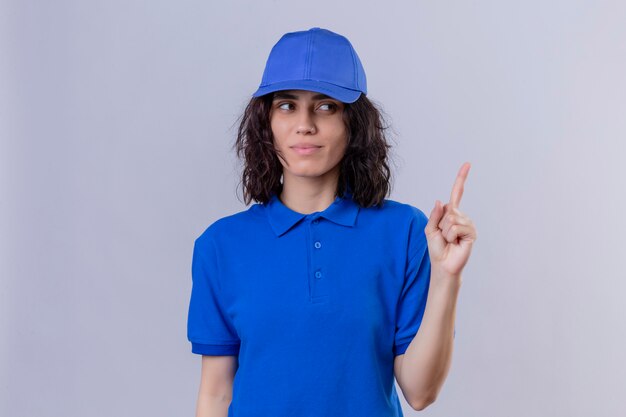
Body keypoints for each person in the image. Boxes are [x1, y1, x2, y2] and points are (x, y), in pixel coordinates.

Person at [187, 27, 477, 417]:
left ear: (354, 124)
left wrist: (447, 278)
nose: (304, 124)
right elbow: (216, 395)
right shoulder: (220, 246)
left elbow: (420, 393)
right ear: (266, 121)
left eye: (326, 106)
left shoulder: (405, 232)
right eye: (287, 105)